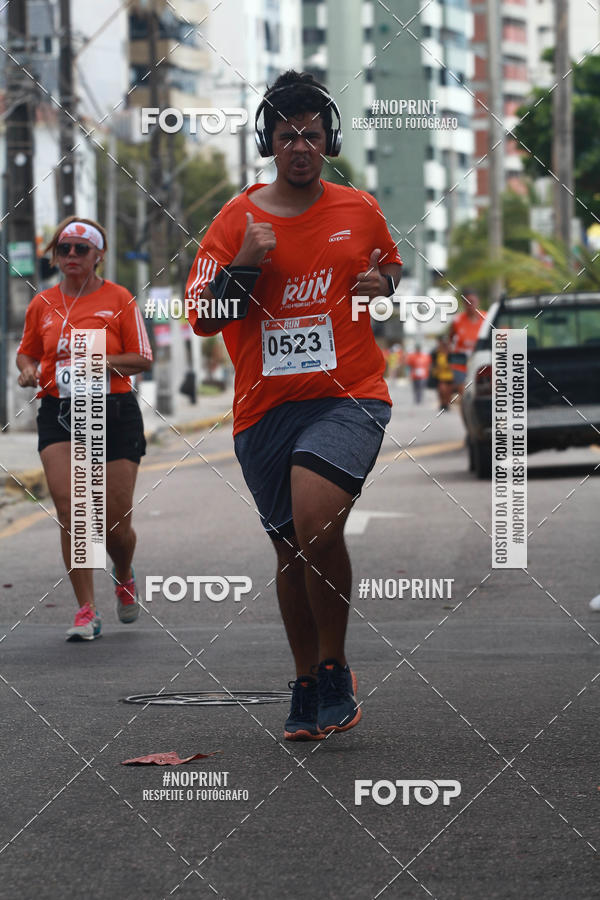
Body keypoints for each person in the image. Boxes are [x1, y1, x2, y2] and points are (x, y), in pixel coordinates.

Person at [185, 71, 402, 740]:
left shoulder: (359, 208)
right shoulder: (235, 221)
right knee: (289, 551)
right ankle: (306, 680)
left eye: (311, 135)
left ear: (328, 140)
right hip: (264, 410)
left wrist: (382, 283)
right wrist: (245, 264)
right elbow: (202, 317)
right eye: (287, 136)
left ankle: (335, 667)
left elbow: (389, 267)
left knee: (315, 525)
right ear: (269, 143)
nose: (300, 147)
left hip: (348, 397)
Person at [16, 216, 153, 641]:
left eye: (81, 249)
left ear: (98, 256)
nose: (71, 255)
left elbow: (142, 357)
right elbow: (27, 353)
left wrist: (99, 360)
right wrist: (28, 370)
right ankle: (86, 610)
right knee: (72, 509)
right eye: (64, 248)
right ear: (56, 256)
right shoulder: (43, 303)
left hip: (113, 412)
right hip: (59, 413)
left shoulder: (119, 298)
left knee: (113, 526)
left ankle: (123, 573)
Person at [448, 289, 483, 396]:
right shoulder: (457, 320)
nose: (470, 305)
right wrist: (450, 354)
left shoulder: (487, 318)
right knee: (464, 392)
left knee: (481, 391)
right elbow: (450, 339)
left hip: (481, 361)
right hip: (461, 363)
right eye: (467, 302)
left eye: (472, 301)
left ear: (478, 301)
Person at [431, 336, 455, 411]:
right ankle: (442, 404)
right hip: (440, 376)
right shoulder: (437, 353)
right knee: (442, 390)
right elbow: (434, 364)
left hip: (450, 376)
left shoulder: (451, 354)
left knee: (448, 391)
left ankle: (446, 404)